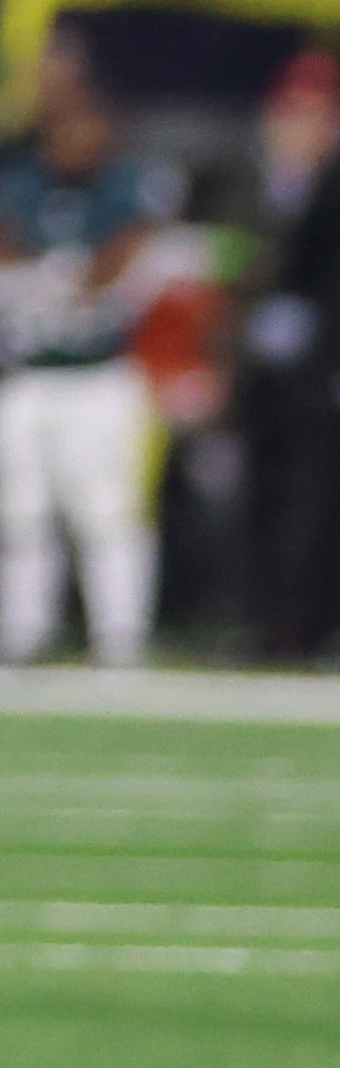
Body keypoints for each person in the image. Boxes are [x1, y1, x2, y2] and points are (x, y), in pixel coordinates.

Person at [0, 47, 192, 669]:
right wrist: (47, 279)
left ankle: (119, 637)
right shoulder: (20, 183)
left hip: (99, 374)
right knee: (19, 513)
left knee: (108, 511)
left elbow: (114, 266)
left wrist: (58, 278)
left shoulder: (129, 188)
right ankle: (21, 633)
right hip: (31, 374)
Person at [233, 52, 340, 668]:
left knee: (315, 505)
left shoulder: (329, 188)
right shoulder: (242, 181)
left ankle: (310, 629)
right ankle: (261, 625)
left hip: (319, 375)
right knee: (259, 502)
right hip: (256, 374)